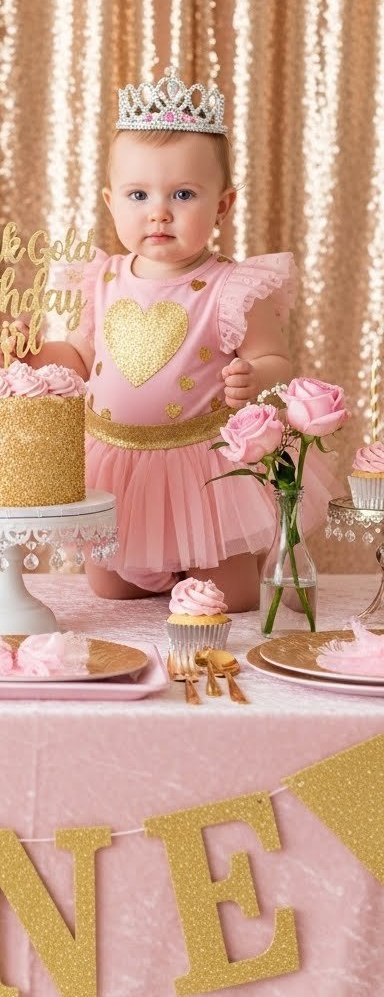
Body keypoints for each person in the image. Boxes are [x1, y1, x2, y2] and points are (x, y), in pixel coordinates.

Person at [29, 66, 334, 610]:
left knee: (230, 597)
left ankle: (200, 574)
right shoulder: (100, 276)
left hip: (205, 467)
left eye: (184, 193)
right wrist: (34, 353)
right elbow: (78, 356)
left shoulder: (233, 286)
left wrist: (254, 374)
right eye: (139, 194)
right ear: (110, 201)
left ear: (222, 205)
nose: (159, 212)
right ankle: (158, 572)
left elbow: (276, 358)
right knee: (112, 589)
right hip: (116, 460)